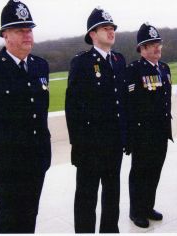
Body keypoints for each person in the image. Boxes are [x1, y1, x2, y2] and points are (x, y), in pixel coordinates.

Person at [0, 0, 51, 233]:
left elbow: (40, 114)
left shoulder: (40, 66)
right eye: (20, 30)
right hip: (6, 161)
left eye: (29, 29)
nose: (28, 35)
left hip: (36, 158)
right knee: (8, 218)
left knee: (30, 215)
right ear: (5, 35)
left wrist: (45, 154)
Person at [65, 7, 127, 233]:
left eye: (112, 28)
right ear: (92, 34)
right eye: (105, 28)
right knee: (86, 197)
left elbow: (122, 102)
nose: (111, 32)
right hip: (90, 146)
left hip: (114, 144)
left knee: (113, 193)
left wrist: (125, 137)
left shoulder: (119, 60)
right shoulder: (81, 63)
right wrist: (78, 146)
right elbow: (72, 108)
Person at [124, 23, 173, 228]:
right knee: (140, 173)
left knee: (155, 171)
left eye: (158, 43)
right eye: (151, 45)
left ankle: (148, 206)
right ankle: (136, 211)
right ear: (142, 49)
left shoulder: (164, 68)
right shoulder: (134, 70)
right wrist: (130, 136)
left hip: (161, 132)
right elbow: (128, 105)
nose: (157, 48)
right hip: (142, 133)